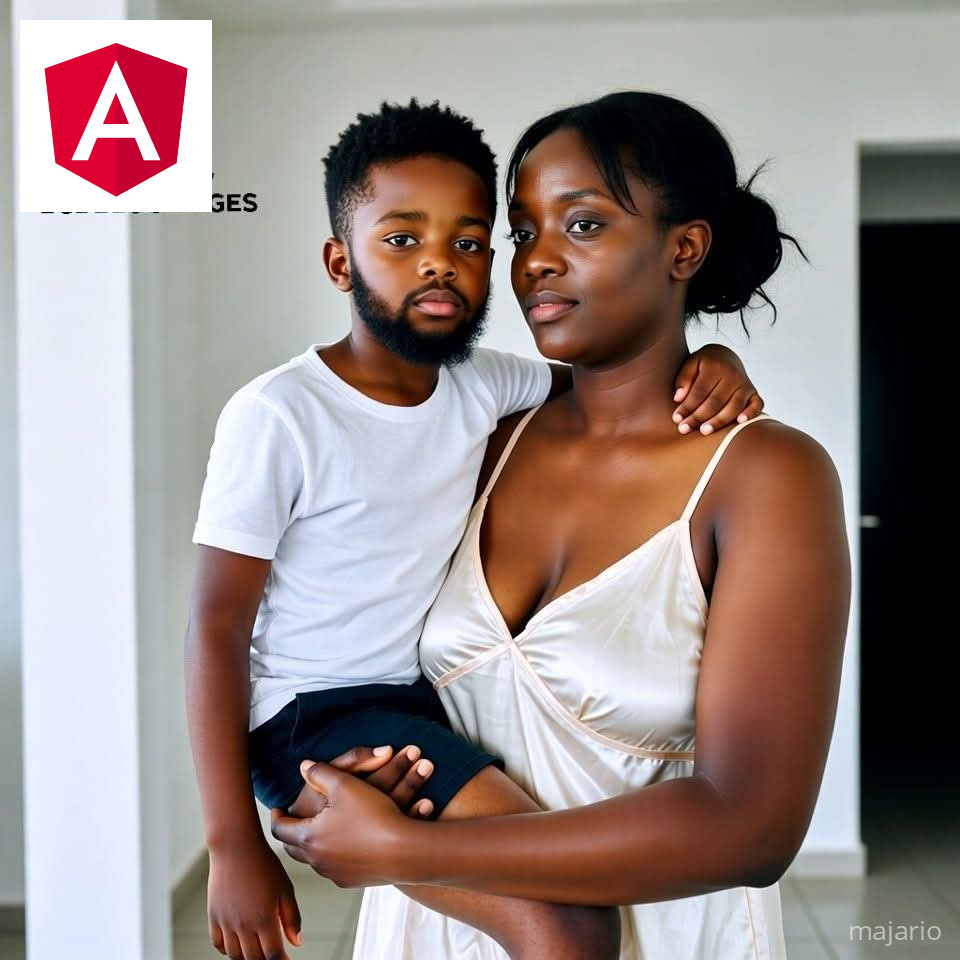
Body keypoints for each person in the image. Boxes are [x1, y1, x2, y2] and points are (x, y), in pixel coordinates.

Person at [269, 92, 852, 960]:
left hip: (653, 936)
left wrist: (407, 849)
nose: (536, 261)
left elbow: (752, 827)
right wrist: (356, 783)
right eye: (522, 232)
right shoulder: (482, 439)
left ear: (684, 248)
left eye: (580, 226)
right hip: (438, 928)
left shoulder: (768, 478)